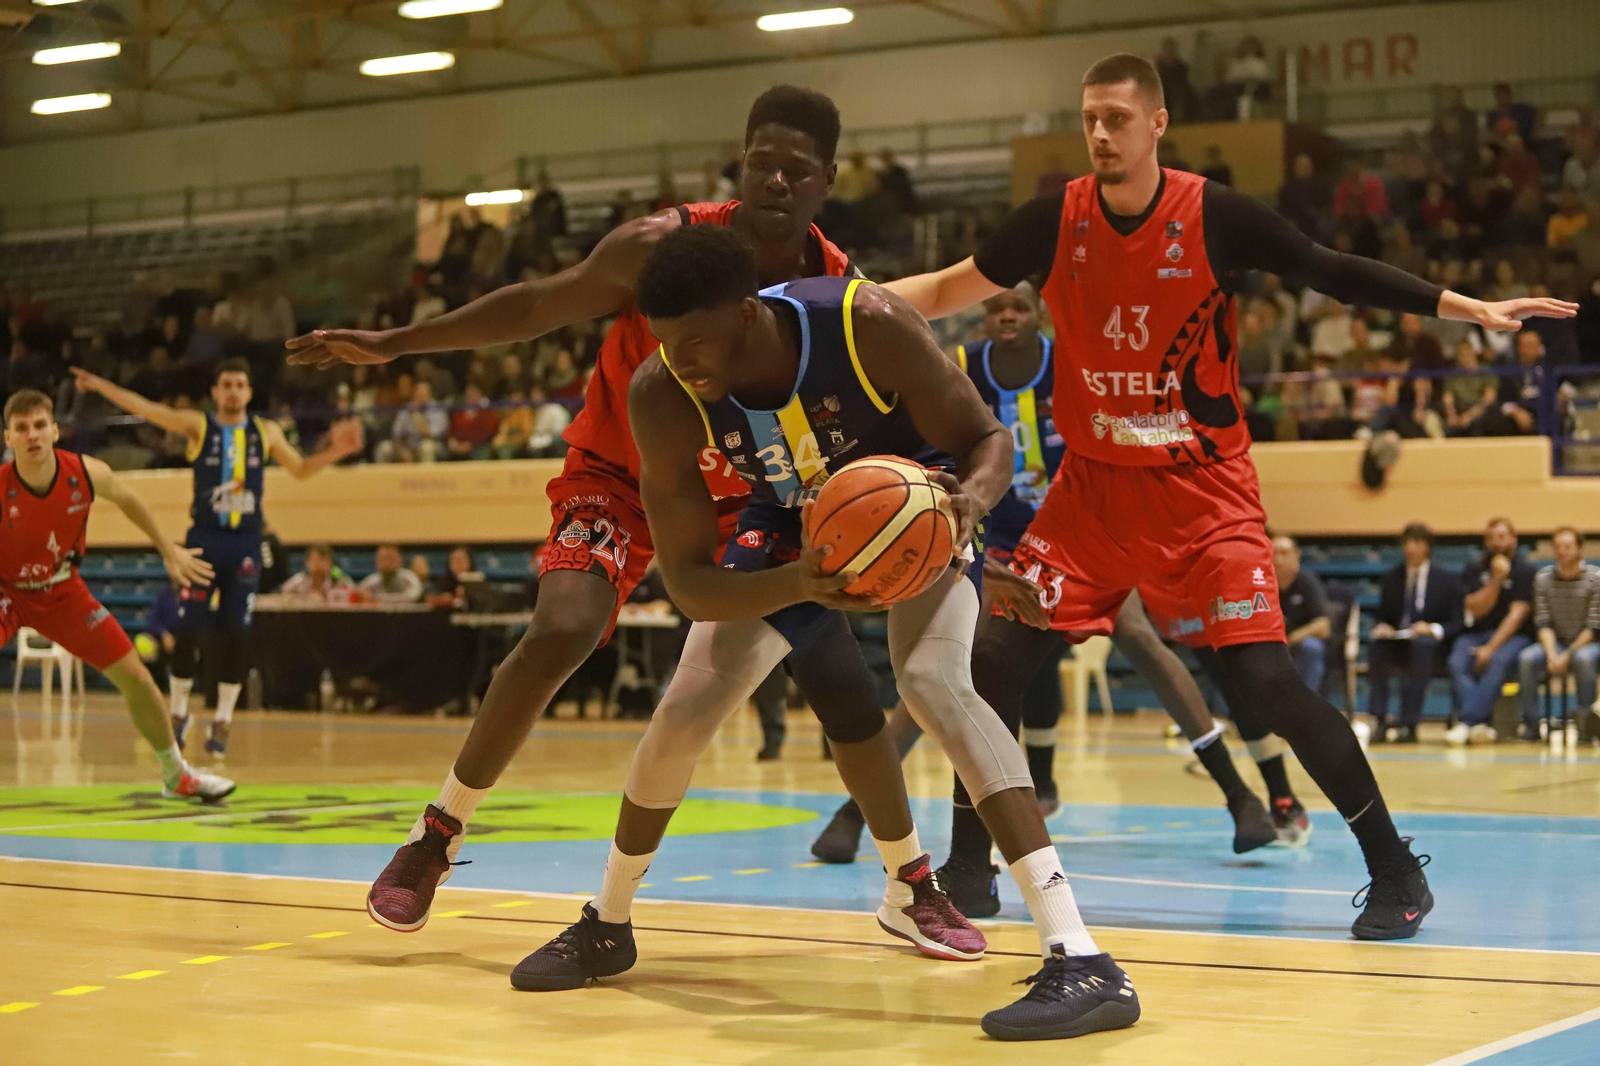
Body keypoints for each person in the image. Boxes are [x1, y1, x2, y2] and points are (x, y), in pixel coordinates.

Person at [877, 52, 1573, 941]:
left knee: (1266, 683)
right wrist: (829, 306)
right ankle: (972, 869)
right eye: (1090, 118)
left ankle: (1396, 868)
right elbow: (941, 291)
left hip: (1203, 495)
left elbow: (1330, 268)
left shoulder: (1213, 215)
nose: (1100, 134)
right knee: (992, 668)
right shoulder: (1058, 218)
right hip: (1092, 496)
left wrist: (1463, 307)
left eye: (1118, 119)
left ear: (1157, 124)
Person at [287, 88, 978, 966]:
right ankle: (436, 835)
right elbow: (540, 303)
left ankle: (911, 887)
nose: (774, 177)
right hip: (620, 471)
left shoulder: (835, 289)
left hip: (750, 495)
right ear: (739, 158)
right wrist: (397, 345)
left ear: (826, 181)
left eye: (795, 167)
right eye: (760, 158)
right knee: (563, 627)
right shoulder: (662, 245)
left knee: (839, 682)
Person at [572, 225, 1138, 1041]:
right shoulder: (662, 391)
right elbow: (693, 586)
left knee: (934, 682)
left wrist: (964, 510)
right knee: (688, 702)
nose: (681, 359)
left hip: (919, 502)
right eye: (666, 343)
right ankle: (607, 920)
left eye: (695, 339)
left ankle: (1079, 954)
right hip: (791, 521)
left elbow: (988, 441)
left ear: (745, 311)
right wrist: (799, 582)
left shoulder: (864, 322)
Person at [809, 284, 1282, 910]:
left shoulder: (1071, 363)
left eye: (1019, 308)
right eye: (995, 308)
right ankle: (856, 812)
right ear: (985, 319)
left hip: (1075, 532)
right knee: (945, 670)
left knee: (1138, 635)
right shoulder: (963, 365)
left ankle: (1240, 797)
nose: (1006, 316)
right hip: (990, 532)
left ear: (1038, 317)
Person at [72, 359, 363, 755]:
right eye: (226, 383)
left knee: (236, 635)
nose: (233, 391)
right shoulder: (199, 426)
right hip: (204, 540)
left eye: (240, 384)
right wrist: (101, 383)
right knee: (188, 629)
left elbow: (301, 469)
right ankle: (177, 713)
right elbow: (147, 409)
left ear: (249, 391)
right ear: (215, 391)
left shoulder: (266, 431)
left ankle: (223, 719)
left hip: (244, 543)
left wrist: (336, 451)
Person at [0, 390, 232, 801]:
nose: (32, 434)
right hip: (6, 591)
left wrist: (167, 549)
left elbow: (130, 500)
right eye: (22, 427)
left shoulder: (87, 474)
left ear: (55, 430)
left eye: (39, 425)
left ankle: (175, 774)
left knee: (137, 678)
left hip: (61, 592)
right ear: (9, 438)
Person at [1446, 518, 1536, 745]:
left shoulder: (1525, 570)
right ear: (1486, 541)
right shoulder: (1475, 568)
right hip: (1476, 634)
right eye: (1492, 538)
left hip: (1514, 637)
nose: (1498, 543)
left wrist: (1490, 648)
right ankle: (1478, 724)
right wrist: (1496, 580)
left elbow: (1517, 616)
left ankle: (1468, 722)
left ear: (1513, 540)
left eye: (1503, 536)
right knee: (1457, 661)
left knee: (1497, 661)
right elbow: (1475, 610)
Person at [1368, 524, 1461, 743]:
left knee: (1422, 645)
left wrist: (1432, 629)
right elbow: (1383, 614)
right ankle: (1379, 719)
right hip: (1400, 641)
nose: (1410, 548)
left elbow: (1457, 623)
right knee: (1377, 647)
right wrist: (1382, 626)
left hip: (1433, 648)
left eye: (1416, 542)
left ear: (1427, 547)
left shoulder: (1447, 580)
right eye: (1406, 542)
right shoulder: (1392, 578)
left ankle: (1409, 722)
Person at [1517, 527, 1599, 739]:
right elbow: (1543, 623)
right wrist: (1553, 655)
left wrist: (1566, 655)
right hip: (1556, 642)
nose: (1561, 551)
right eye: (1557, 547)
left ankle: (1585, 724)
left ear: (1580, 550)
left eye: (1567, 546)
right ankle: (1532, 725)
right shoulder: (1543, 579)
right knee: (1527, 658)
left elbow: (1593, 628)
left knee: (1584, 659)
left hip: (1587, 643)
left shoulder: (1595, 579)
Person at [1272, 534, 1331, 695]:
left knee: (1312, 647)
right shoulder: (1261, 584)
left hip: (1297, 643)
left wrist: (1295, 637)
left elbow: (1323, 626)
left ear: (1296, 555)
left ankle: (1307, 704)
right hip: (1271, 644)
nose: (1277, 560)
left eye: (1283, 553)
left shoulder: (1308, 583)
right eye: (1273, 553)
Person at [280, 543, 355, 600]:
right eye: (315, 560)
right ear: (307, 563)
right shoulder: (297, 583)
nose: (319, 564)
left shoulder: (341, 582)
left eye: (323, 560)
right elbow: (280, 597)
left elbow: (355, 597)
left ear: (330, 563)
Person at [359, 543, 424, 604]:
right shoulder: (371, 581)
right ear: (377, 562)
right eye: (383, 559)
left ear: (399, 561)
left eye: (390, 558)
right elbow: (360, 593)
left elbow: (413, 597)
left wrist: (376, 599)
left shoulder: (410, 579)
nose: (387, 563)